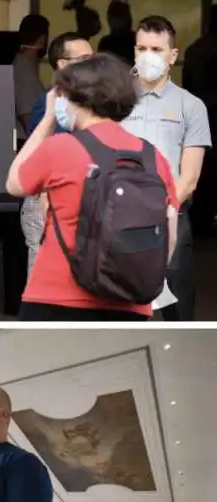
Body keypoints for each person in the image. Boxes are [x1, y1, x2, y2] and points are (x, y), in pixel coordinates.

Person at [6, 54, 180, 321]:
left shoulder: (61, 148)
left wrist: (47, 122)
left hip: (56, 296)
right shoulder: (153, 157)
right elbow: (169, 237)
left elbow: (14, 183)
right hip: (131, 302)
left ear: (79, 97)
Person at [122, 15, 212, 321]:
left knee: (179, 308)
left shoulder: (191, 107)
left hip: (172, 217)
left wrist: (164, 207)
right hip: (122, 219)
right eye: (142, 48)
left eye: (157, 49)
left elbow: (191, 176)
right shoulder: (114, 102)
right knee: (123, 307)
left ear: (173, 56)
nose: (148, 56)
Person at [21, 33, 94, 278]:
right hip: (49, 202)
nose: (91, 64)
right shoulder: (52, 105)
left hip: (76, 203)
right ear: (62, 64)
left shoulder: (89, 104)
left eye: (92, 58)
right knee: (44, 286)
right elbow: (53, 161)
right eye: (83, 58)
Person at [4, 14, 49, 317]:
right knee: (24, 232)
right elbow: (26, 115)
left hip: (24, 147)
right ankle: (19, 299)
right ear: (42, 39)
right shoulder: (24, 69)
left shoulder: (24, 66)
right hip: (25, 148)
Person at [183, 5, 217, 239]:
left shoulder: (195, 50)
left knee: (202, 172)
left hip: (201, 116)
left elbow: (189, 86)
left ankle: (201, 222)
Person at [98, 0, 135, 66]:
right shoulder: (105, 42)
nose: (115, 19)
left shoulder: (137, 40)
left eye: (119, 14)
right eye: (113, 14)